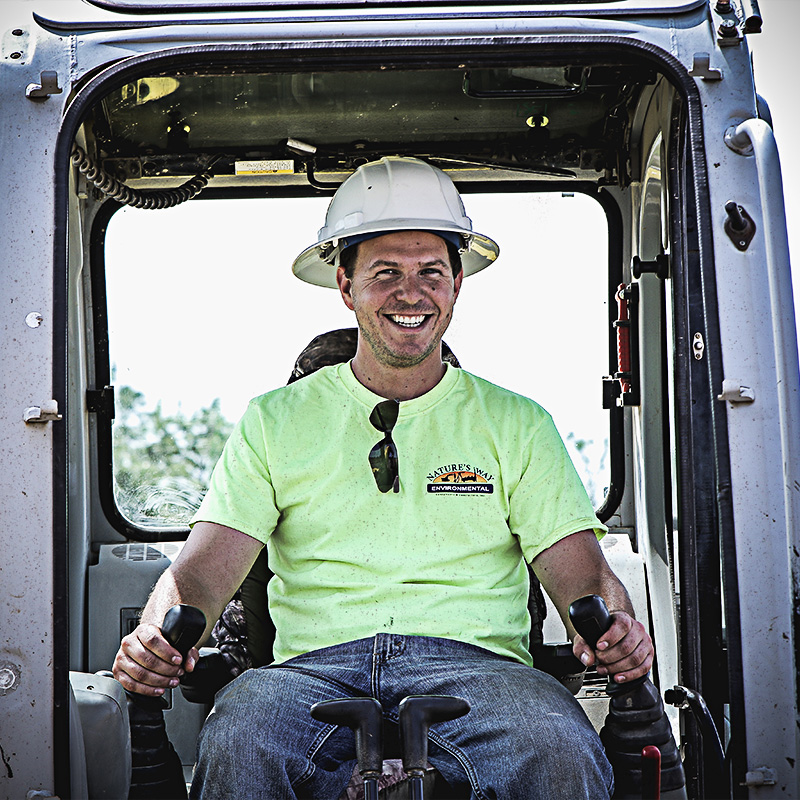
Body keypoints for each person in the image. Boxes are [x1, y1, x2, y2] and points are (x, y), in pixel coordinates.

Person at [113, 157, 654, 799]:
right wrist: (154, 636)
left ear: (456, 285)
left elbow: (586, 581)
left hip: (480, 674)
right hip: (308, 676)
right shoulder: (274, 421)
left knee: (559, 747)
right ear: (346, 287)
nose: (411, 293)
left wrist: (617, 628)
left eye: (431, 272)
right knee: (239, 738)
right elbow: (198, 576)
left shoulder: (518, 424)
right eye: (385, 274)